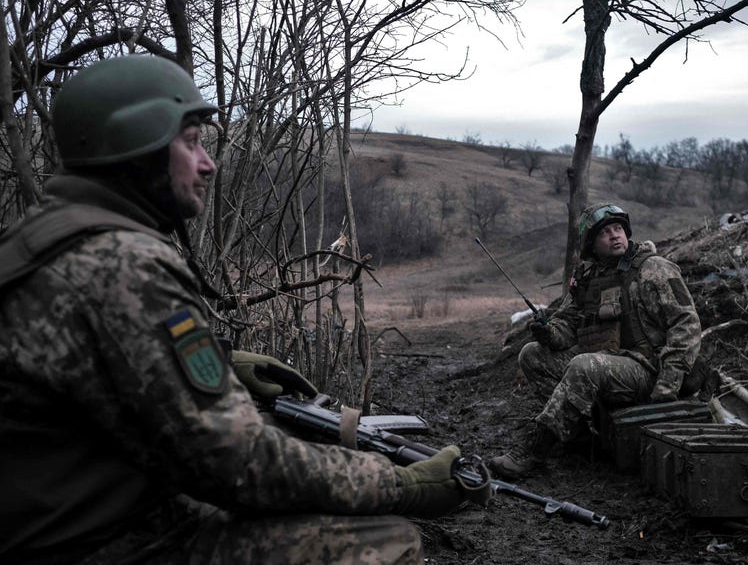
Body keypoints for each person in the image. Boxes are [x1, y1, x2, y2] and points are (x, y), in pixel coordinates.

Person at [0, 54, 487, 565]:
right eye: (190, 142)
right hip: (96, 543)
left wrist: (222, 363)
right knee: (383, 540)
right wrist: (400, 483)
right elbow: (240, 463)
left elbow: (89, 370)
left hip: (58, 519)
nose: (208, 163)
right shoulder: (125, 262)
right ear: (136, 149)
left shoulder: (38, 238)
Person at [489, 204, 702, 479]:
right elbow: (568, 325)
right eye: (605, 232)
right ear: (592, 243)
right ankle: (579, 439)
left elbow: (686, 324)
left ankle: (534, 450)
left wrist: (668, 382)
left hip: (648, 369)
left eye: (618, 229)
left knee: (584, 366)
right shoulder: (588, 278)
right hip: (603, 361)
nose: (615, 236)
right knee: (531, 354)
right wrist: (548, 332)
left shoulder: (653, 269)